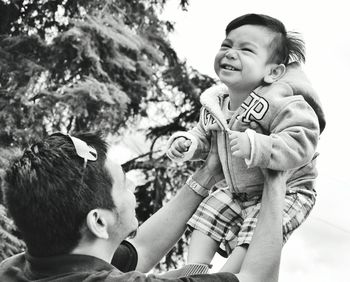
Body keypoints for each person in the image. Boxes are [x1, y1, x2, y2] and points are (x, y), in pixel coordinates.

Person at [0, 131, 288, 281]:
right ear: (98, 222)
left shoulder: (13, 269)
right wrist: (277, 177)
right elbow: (256, 278)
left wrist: (208, 173)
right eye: (123, 184)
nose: (133, 188)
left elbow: (144, 249)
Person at [166, 13, 325, 275]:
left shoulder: (281, 100)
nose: (230, 53)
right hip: (239, 190)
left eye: (246, 50)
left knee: (257, 228)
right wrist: (189, 144)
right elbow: (204, 136)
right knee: (208, 211)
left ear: (273, 72)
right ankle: (193, 270)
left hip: (290, 191)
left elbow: (303, 138)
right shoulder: (217, 104)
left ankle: (230, 275)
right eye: (226, 45)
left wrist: (258, 146)